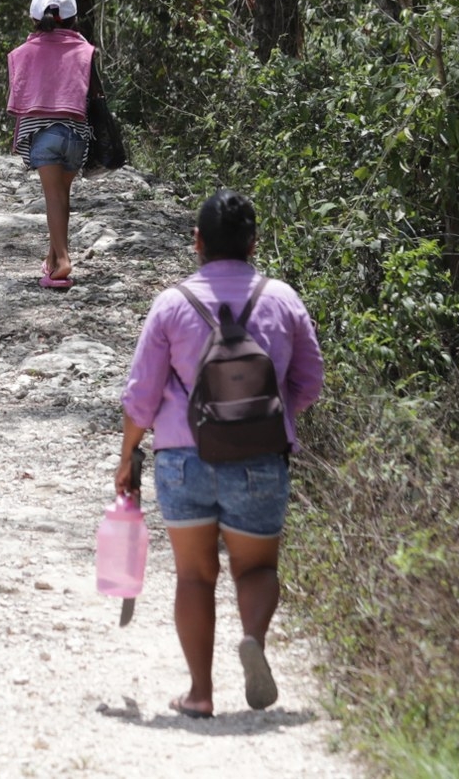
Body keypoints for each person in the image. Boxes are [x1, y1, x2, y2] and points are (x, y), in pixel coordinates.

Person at [114, 190, 324, 716]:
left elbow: (141, 396)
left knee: (194, 576)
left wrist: (126, 457)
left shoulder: (171, 304)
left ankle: (200, 693)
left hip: (183, 459)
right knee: (256, 570)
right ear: (254, 242)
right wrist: (277, 417)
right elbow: (310, 381)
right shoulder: (282, 299)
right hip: (260, 456)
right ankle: (252, 635)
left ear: (198, 242)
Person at [7, 0, 95, 289]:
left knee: (53, 199)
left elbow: (18, 98)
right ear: (72, 20)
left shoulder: (22, 53)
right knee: (62, 197)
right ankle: (52, 259)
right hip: (77, 136)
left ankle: (65, 261)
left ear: (34, 19)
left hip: (45, 134)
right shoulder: (86, 50)